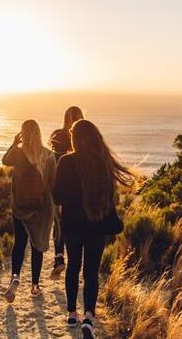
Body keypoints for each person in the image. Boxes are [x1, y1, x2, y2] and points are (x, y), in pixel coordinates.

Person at [53, 119, 135, 339]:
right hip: (97, 226)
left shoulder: (66, 162)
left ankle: (72, 313)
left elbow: (57, 196)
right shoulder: (103, 163)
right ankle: (89, 317)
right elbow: (109, 198)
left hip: (71, 225)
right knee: (91, 272)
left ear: (75, 138)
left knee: (72, 267)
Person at [2, 119, 57, 302]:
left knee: (19, 243)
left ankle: (15, 277)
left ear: (23, 134)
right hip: (41, 209)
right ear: (40, 134)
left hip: (20, 207)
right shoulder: (49, 156)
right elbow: (53, 184)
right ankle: (34, 286)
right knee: (37, 247)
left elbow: (4, 160)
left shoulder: (18, 153)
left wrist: (14, 143)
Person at [49, 106, 85, 278]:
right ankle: (74, 264)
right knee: (78, 225)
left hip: (60, 186)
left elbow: (51, 160)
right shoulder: (86, 138)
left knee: (59, 223)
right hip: (81, 189)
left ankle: (59, 258)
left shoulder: (56, 135)